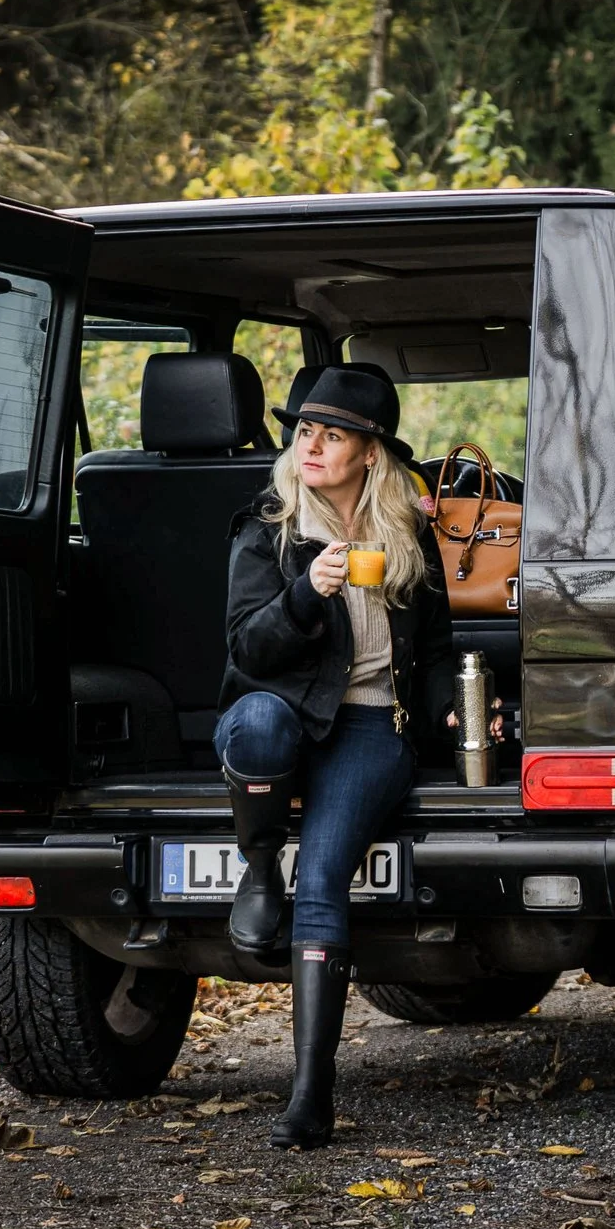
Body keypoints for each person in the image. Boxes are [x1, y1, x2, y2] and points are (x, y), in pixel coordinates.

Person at [213, 363, 497, 1150]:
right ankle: (260, 863)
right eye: (305, 430)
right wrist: (306, 591)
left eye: (331, 435)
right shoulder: (267, 527)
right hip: (279, 715)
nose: (310, 445)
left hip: (372, 725)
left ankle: (311, 1093)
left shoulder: (405, 532)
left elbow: (433, 652)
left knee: (325, 877)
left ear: (370, 453)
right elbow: (248, 648)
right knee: (259, 725)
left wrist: (450, 709)